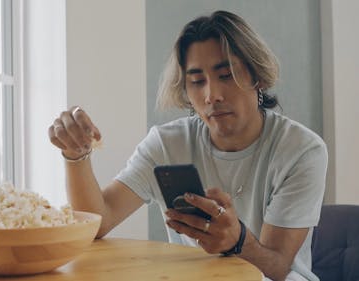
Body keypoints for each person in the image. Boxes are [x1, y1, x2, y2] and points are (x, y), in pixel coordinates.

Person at [48, 10, 327, 281]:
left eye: (226, 74)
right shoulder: (167, 144)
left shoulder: (301, 150)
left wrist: (237, 241)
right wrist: (76, 155)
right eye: (196, 81)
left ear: (258, 77)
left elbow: (278, 267)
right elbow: (99, 221)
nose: (211, 95)